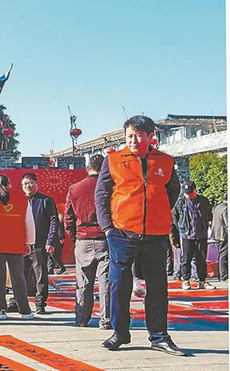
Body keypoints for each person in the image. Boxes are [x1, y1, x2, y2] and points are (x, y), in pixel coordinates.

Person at [96, 115, 184, 355]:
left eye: (138, 136)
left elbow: (172, 192)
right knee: (119, 285)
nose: (133, 140)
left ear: (150, 136)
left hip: (155, 234)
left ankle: (159, 336)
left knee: (157, 287)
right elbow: (101, 194)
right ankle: (120, 333)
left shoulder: (165, 161)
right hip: (122, 233)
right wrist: (107, 227)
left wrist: (157, 213)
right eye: (129, 136)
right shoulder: (113, 160)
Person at [65, 154, 111, 329]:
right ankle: (106, 319)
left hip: (83, 238)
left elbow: (68, 217)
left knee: (83, 282)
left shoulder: (75, 188)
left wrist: (74, 236)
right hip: (105, 237)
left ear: (87, 168)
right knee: (106, 282)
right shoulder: (110, 187)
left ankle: (82, 318)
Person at [0, 174, 36, 320]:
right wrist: (29, 243)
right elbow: (29, 222)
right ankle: (25, 310)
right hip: (16, 243)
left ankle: (0, 309)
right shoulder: (22, 198)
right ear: (9, 183)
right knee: (18, 278)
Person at [21, 172, 60, 314]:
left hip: (39, 244)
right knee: (20, 275)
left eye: (30, 183)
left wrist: (51, 240)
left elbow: (54, 221)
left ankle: (40, 303)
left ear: (36, 184)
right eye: (25, 184)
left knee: (40, 275)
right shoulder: (19, 201)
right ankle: (19, 301)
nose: (27, 186)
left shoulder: (46, 201)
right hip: (21, 245)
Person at [172, 180, 213, 290]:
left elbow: (209, 215)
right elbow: (174, 219)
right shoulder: (180, 203)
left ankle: (202, 281)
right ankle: (186, 280)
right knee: (186, 259)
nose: (188, 195)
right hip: (186, 235)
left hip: (201, 234)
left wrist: (207, 226)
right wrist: (177, 234)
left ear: (195, 190)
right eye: (186, 193)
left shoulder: (203, 201)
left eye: (190, 192)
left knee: (201, 259)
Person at [212, 193, 228, 286]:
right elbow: (227, 223)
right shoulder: (226, 208)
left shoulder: (217, 207)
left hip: (217, 234)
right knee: (224, 255)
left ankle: (221, 274)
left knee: (221, 255)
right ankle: (224, 276)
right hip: (224, 235)